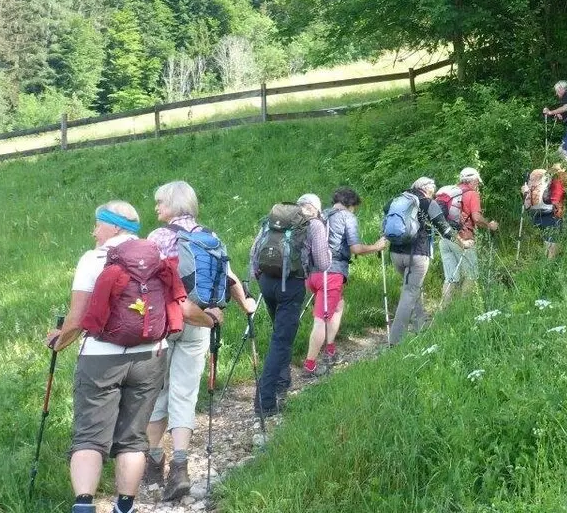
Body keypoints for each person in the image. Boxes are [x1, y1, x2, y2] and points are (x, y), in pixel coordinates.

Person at [45, 201, 220, 513]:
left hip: (100, 359)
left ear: (113, 226)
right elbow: (182, 307)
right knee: (132, 438)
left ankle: (84, 506)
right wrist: (210, 320)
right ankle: (123, 507)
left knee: (89, 438)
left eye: (97, 224)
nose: (93, 231)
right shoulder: (157, 256)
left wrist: (59, 343)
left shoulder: (93, 259)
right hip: (151, 357)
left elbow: (76, 319)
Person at [143, 181, 255, 500]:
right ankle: (179, 466)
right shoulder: (210, 236)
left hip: (166, 322)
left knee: (158, 392)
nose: (156, 207)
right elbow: (230, 277)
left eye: (160, 201)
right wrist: (245, 303)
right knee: (185, 394)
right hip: (200, 321)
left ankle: (154, 461)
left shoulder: (159, 237)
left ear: (174, 204)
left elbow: (146, 282)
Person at [249, 193, 325, 415]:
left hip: (266, 281)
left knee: (280, 332)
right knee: (281, 339)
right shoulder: (314, 225)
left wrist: (260, 277)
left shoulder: (274, 220)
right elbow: (322, 262)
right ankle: (265, 401)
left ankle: (283, 379)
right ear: (316, 209)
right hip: (291, 285)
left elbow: (254, 251)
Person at [303, 187, 388, 377]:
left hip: (312, 274)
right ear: (351, 204)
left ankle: (330, 348)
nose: (354, 211)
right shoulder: (347, 217)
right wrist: (377, 246)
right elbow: (356, 248)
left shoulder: (321, 214)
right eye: (354, 208)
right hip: (330, 274)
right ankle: (310, 365)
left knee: (339, 305)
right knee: (321, 320)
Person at [384, 177, 473, 344]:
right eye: (433, 187)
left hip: (395, 253)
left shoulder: (397, 200)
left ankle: (420, 328)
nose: (434, 190)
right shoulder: (427, 203)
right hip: (417, 254)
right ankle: (395, 341)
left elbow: (386, 214)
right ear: (426, 188)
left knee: (412, 289)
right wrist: (463, 243)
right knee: (409, 292)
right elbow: (445, 229)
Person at [438, 167, 499, 305]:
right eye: (477, 181)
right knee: (471, 275)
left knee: (450, 278)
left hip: (445, 238)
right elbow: (476, 218)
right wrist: (489, 224)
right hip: (463, 240)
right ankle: (464, 307)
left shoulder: (451, 192)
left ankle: (444, 311)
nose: (478, 184)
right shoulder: (472, 194)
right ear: (474, 180)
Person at [523, 165, 567, 259]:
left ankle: (549, 262)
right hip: (547, 214)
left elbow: (527, 206)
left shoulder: (534, 186)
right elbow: (556, 200)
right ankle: (550, 263)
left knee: (549, 241)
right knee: (550, 241)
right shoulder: (553, 183)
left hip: (541, 215)